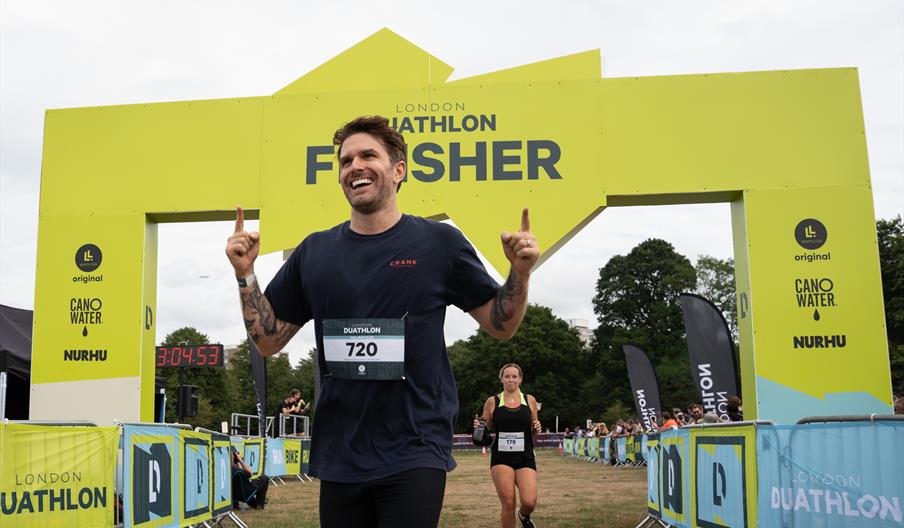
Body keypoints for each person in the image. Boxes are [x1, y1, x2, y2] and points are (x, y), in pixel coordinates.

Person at [225, 115, 539, 527]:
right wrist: (245, 274)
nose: (354, 166)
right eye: (346, 160)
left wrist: (519, 273)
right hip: (341, 448)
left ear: (398, 170)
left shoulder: (438, 243)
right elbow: (267, 341)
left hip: (415, 443)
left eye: (368, 155)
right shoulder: (314, 252)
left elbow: (501, 325)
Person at [474, 363, 542, 528]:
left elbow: (534, 427)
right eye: (507, 376)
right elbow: (484, 430)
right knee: (508, 503)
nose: (510, 380)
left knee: (529, 501)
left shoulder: (530, 400)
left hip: (525, 456)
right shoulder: (492, 401)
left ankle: (524, 515)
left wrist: (536, 428)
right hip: (501, 457)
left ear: (520, 379)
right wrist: (478, 427)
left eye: (514, 376)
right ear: (501, 379)